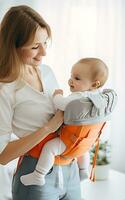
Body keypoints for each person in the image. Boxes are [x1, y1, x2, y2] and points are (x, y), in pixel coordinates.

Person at [0, 5, 81, 200]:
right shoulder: (2, 88)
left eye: (44, 43)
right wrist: (49, 127)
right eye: (34, 47)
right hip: (35, 176)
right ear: (12, 47)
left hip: (70, 170)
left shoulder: (47, 72)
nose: (43, 52)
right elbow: (2, 155)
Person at [20, 58, 110, 186]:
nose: (71, 80)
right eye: (71, 76)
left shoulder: (78, 97)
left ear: (94, 84)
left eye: (77, 78)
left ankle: (39, 175)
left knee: (49, 148)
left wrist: (57, 94)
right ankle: (83, 170)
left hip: (69, 140)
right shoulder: (99, 98)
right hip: (85, 141)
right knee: (83, 150)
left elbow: (61, 104)